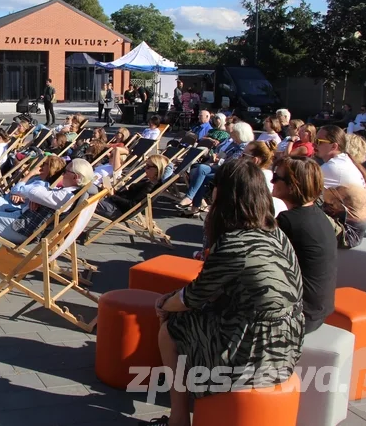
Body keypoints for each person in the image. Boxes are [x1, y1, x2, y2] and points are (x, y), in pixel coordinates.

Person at [144, 158, 304, 426]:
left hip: (255, 349)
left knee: (171, 328)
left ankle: (178, 419)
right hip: (288, 340)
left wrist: (164, 304)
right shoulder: (275, 233)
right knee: (186, 314)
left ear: (224, 193)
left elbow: (192, 297)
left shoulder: (234, 243)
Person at [272, 156, 337, 333]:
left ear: (292, 186)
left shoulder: (288, 221)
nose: (271, 181)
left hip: (300, 315)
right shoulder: (317, 214)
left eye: (276, 177)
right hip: (318, 309)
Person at [178, 121, 255, 215]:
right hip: (222, 166)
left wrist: (218, 160)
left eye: (234, 133)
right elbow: (223, 155)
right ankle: (193, 204)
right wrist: (216, 156)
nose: (231, 134)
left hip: (232, 171)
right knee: (198, 170)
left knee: (200, 171)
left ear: (240, 134)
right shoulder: (234, 143)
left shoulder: (244, 146)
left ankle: (192, 201)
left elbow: (232, 162)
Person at [316, 125, 366, 248]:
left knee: (297, 215)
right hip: (353, 228)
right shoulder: (344, 161)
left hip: (348, 234)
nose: (315, 144)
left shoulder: (333, 167)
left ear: (334, 146)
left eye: (319, 141)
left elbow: (300, 188)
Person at [96, 154, 171, 219]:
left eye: (148, 167)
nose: (145, 169)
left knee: (86, 196)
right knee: (91, 189)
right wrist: (114, 192)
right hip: (113, 204)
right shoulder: (147, 181)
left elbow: (131, 205)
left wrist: (112, 195)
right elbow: (127, 196)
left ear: (157, 169)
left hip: (116, 210)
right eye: (145, 166)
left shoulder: (150, 186)